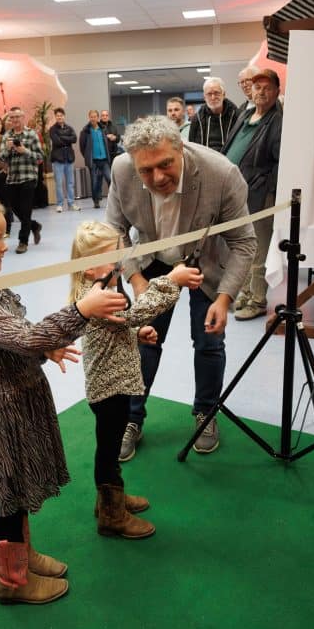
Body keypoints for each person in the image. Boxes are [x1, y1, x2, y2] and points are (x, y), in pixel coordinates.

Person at [0, 191, 128, 605]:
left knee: (17, 490)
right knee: (9, 499)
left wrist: (45, 349)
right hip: (2, 409)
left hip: (21, 397)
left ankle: (23, 557)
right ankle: (11, 582)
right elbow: (27, 336)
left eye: (4, 236)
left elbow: (17, 337)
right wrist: (81, 310)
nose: (3, 246)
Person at [106, 116, 256, 459]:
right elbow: (114, 230)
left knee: (208, 342)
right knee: (144, 340)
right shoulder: (122, 169)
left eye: (165, 164)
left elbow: (244, 242)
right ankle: (132, 418)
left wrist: (224, 298)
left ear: (181, 149)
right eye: (146, 170)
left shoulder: (222, 173)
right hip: (153, 260)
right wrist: (136, 280)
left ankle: (206, 413)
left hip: (204, 261)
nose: (158, 177)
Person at [69, 221, 203, 536]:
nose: (119, 263)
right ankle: (111, 515)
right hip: (109, 389)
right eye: (111, 257)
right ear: (88, 268)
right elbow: (138, 312)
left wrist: (135, 334)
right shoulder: (98, 297)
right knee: (108, 450)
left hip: (113, 384)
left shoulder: (100, 291)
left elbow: (122, 324)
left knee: (110, 446)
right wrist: (171, 280)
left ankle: (110, 499)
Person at [222, 68, 284, 321]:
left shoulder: (278, 120)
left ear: (277, 91)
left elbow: (280, 162)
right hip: (238, 193)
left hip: (260, 195)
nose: (261, 92)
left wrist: (268, 189)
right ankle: (245, 293)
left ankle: (257, 299)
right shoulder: (246, 114)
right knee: (244, 247)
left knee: (259, 249)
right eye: (257, 87)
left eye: (267, 88)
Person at [0, 106, 43, 254]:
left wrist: (25, 151)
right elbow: (2, 158)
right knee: (15, 208)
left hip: (28, 176)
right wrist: (7, 149)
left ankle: (23, 241)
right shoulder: (7, 136)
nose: (15, 120)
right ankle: (34, 226)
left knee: (26, 209)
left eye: (17, 117)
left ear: (23, 117)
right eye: (12, 117)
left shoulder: (31, 134)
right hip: (12, 178)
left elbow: (40, 156)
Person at [188, 77, 240, 153]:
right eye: (209, 94)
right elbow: (191, 146)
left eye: (216, 93)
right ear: (204, 97)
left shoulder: (236, 116)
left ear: (224, 94)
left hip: (229, 159)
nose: (213, 97)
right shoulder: (197, 119)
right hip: (204, 159)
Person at [78, 109, 111, 209]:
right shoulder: (85, 131)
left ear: (98, 118)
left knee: (110, 179)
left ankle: (113, 199)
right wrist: (88, 157)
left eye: (95, 117)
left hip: (104, 160)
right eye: (91, 117)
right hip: (94, 161)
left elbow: (106, 143)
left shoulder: (103, 129)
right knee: (95, 182)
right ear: (89, 118)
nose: (93, 118)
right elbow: (82, 147)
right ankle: (96, 201)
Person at [48, 108, 79, 213]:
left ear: (64, 116)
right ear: (55, 117)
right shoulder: (52, 129)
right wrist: (67, 138)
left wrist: (62, 137)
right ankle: (60, 204)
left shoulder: (69, 128)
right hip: (58, 159)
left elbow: (74, 139)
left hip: (69, 158)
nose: (59, 117)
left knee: (70, 182)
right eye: (57, 115)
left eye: (61, 115)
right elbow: (57, 142)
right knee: (59, 183)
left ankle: (71, 203)